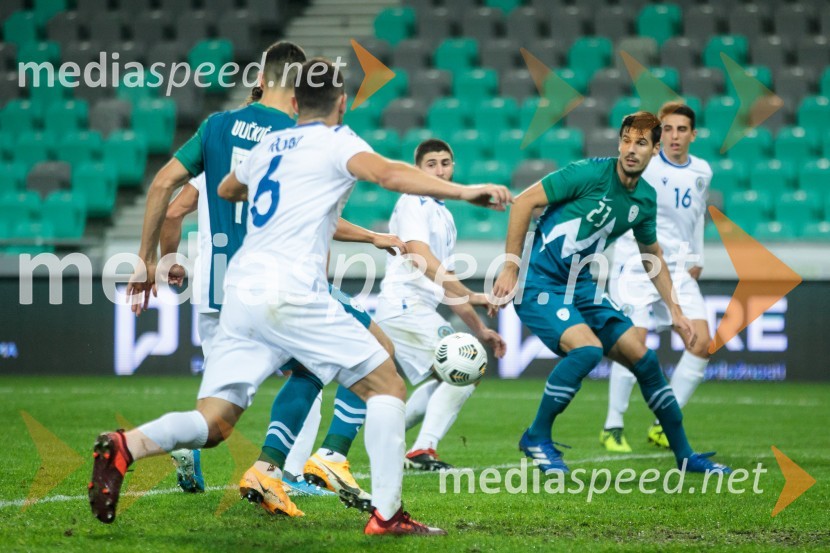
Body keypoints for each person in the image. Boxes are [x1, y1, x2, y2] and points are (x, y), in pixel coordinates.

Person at [89, 58, 511, 535]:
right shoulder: (337, 141)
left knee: (214, 422)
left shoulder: (268, 144)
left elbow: (228, 188)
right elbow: (390, 175)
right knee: (387, 384)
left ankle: (128, 445)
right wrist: (464, 190)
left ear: (293, 102)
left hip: (242, 294)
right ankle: (386, 514)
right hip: (291, 290)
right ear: (341, 102)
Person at [490, 111, 729, 476]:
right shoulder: (586, 173)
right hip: (540, 283)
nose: (632, 150)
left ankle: (685, 456)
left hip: (582, 286)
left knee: (644, 360)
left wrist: (676, 310)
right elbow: (523, 202)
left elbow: (652, 256)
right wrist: (510, 266)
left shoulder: (644, 199)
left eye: (642, 143)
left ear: (654, 150)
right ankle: (536, 437)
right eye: (627, 141)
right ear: (620, 142)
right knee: (587, 350)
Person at [301, 139, 507, 495]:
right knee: (464, 366)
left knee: (383, 382)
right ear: (417, 170)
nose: (440, 170)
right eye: (431, 164)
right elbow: (419, 256)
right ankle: (421, 447)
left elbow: (445, 286)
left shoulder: (442, 213)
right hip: (405, 306)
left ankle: (333, 452)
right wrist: (471, 293)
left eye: (446, 163)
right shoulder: (416, 201)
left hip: (416, 307)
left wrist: (481, 328)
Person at [601, 102, 713, 452]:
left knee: (701, 342)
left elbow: (697, 215)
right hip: (636, 262)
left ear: (693, 134)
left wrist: (697, 255)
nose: (674, 136)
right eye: (667, 129)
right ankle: (613, 426)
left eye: (682, 129)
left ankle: (665, 424)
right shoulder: (644, 166)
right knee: (633, 344)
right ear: (658, 135)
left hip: (678, 266)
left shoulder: (703, 171)